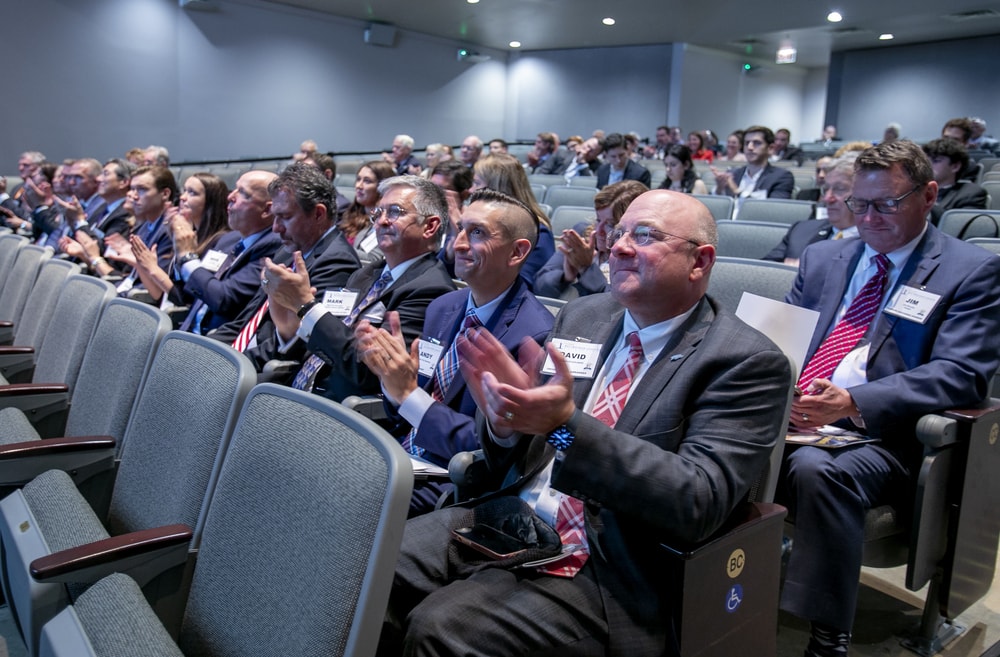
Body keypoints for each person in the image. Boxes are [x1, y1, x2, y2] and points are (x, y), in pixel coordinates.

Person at [378, 189, 791, 656]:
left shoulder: (744, 361)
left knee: (440, 628)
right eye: (617, 234)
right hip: (514, 518)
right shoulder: (584, 315)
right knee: (370, 568)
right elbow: (521, 447)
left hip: (613, 561)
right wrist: (506, 422)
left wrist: (563, 424)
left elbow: (698, 501)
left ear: (700, 261)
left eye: (645, 236)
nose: (617, 247)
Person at [779, 140, 1000, 657]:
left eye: (886, 204)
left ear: (928, 194)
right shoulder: (823, 255)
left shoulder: (969, 270)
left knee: (816, 468)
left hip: (884, 433)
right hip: (797, 410)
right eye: (860, 204)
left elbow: (962, 374)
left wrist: (854, 401)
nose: (869, 218)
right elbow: (787, 335)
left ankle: (828, 632)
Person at [356, 189, 554, 515]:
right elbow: (406, 410)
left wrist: (408, 396)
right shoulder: (442, 307)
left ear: (517, 252)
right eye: (460, 229)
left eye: (477, 233)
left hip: (453, 484)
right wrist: (392, 383)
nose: (458, 243)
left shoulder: (535, 336)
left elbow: (491, 449)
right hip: (402, 455)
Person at [261, 175, 455, 401]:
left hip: (343, 410)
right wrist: (287, 318)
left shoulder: (431, 291)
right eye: (378, 213)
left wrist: (307, 305)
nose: (381, 222)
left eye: (395, 212)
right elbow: (328, 338)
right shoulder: (365, 274)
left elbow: (369, 371)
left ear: (430, 226)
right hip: (301, 390)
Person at [208, 162, 361, 353]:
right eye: (275, 217)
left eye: (285, 217)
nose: (275, 228)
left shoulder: (336, 262)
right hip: (243, 351)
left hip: (268, 367)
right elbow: (246, 320)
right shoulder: (287, 250)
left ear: (318, 214)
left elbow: (301, 344)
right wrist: (205, 347)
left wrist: (228, 363)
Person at [175, 170, 283, 334]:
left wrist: (188, 257)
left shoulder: (273, 247)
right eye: (235, 189)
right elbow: (195, 288)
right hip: (189, 331)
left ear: (267, 210)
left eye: (243, 193)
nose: (230, 197)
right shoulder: (228, 239)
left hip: (219, 343)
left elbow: (224, 299)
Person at [128, 172, 230, 308]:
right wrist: (144, 264)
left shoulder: (223, 242)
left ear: (211, 201)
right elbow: (166, 295)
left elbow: (189, 301)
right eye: (184, 191)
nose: (182, 197)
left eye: (192, 193)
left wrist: (152, 268)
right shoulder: (190, 236)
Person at [534, 180, 647, 299]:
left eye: (611, 224)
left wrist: (586, 269)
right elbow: (539, 285)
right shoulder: (581, 236)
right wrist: (565, 277)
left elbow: (616, 304)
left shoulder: (637, 255)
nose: (599, 230)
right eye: (598, 220)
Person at [470, 154, 555, 285]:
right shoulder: (471, 223)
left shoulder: (538, 233)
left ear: (495, 188)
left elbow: (523, 284)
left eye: (477, 183)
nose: (471, 190)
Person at [764, 158, 858, 266]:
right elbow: (764, 272)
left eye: (840, 189)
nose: (827, 198)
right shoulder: (801, 230)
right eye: (826, 189)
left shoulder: (875, 242)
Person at [711, 125, 794, 217]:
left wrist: (737, 191)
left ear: (770, 148)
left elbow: (775, 211)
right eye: (747, 143)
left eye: (757, 143)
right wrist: (719, 189)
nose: (750, 147)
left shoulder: (781, 177)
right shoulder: (734, 173)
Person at [922, 138, 988, 225]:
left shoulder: (971, 193)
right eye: (926, 161)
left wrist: (920, 202)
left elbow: (961, 225)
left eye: (936, 161)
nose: (928, 165)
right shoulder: (913, 189)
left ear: (955, 166)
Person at [338, 160, 395, 259]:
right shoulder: (349, 213)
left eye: (367, 181)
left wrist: (337, 249)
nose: (359, 186)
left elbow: (373, 259)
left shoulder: (385, 222)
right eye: (358, 179)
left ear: (382, 187)